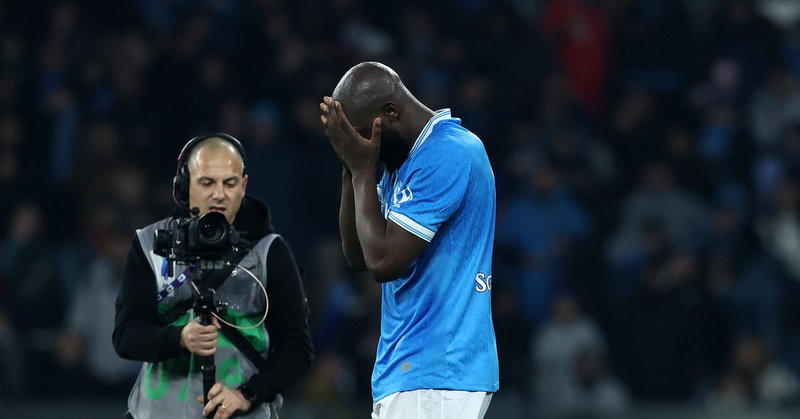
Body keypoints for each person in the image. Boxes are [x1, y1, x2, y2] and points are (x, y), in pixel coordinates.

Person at [320, 62, 499, 419]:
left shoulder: (447, 152)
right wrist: (349, 170)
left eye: (361, 134)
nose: (361, 146)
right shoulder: (401, 163)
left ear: (390, 112)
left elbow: (383, 262)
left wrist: (361, 171)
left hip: (437, 371)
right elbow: (358, 255)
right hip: (413, 371)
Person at [113, 133, 313, 418]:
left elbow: (297, 349)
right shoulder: (149, 244)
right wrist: (180, 338)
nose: (219, 194)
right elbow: (126, 337)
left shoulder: (270, 251)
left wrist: (247, 395)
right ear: (185, 186)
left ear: (243, 186)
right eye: (207, 182)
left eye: (229, 183)